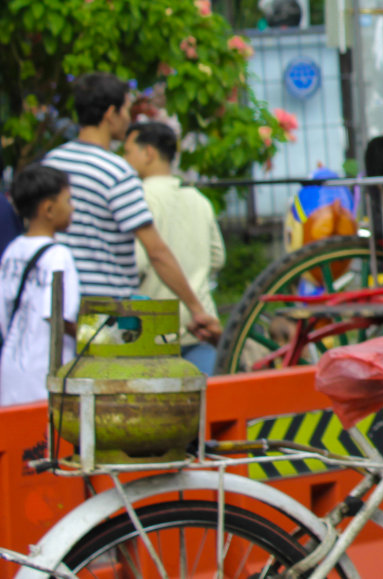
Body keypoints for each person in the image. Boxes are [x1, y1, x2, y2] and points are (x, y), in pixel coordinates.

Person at [42, 74, 221, 343]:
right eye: (126, 109)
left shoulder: (51, 163)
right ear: (111, 113)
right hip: (107, 318)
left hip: (59, 313)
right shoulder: (116, 171)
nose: (129, 118)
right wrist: (197, 310)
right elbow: (157, 252)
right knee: (146, 380)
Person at [124, 122, 225, 374]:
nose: (125, 160)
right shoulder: (198, 199)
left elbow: (137, 263)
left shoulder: (138, 198)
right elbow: (217, 259)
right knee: (206, 406)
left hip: (154, 330)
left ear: (148, 153)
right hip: (200, 326)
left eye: (127, 152)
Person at [0, 165, 80, 406]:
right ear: (48, 208)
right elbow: (57, 317)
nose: (72, 207)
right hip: (44, 375)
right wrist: (93, 338)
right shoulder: (59, 255)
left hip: (10, 371)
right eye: (68, 200)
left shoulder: (12, 252)